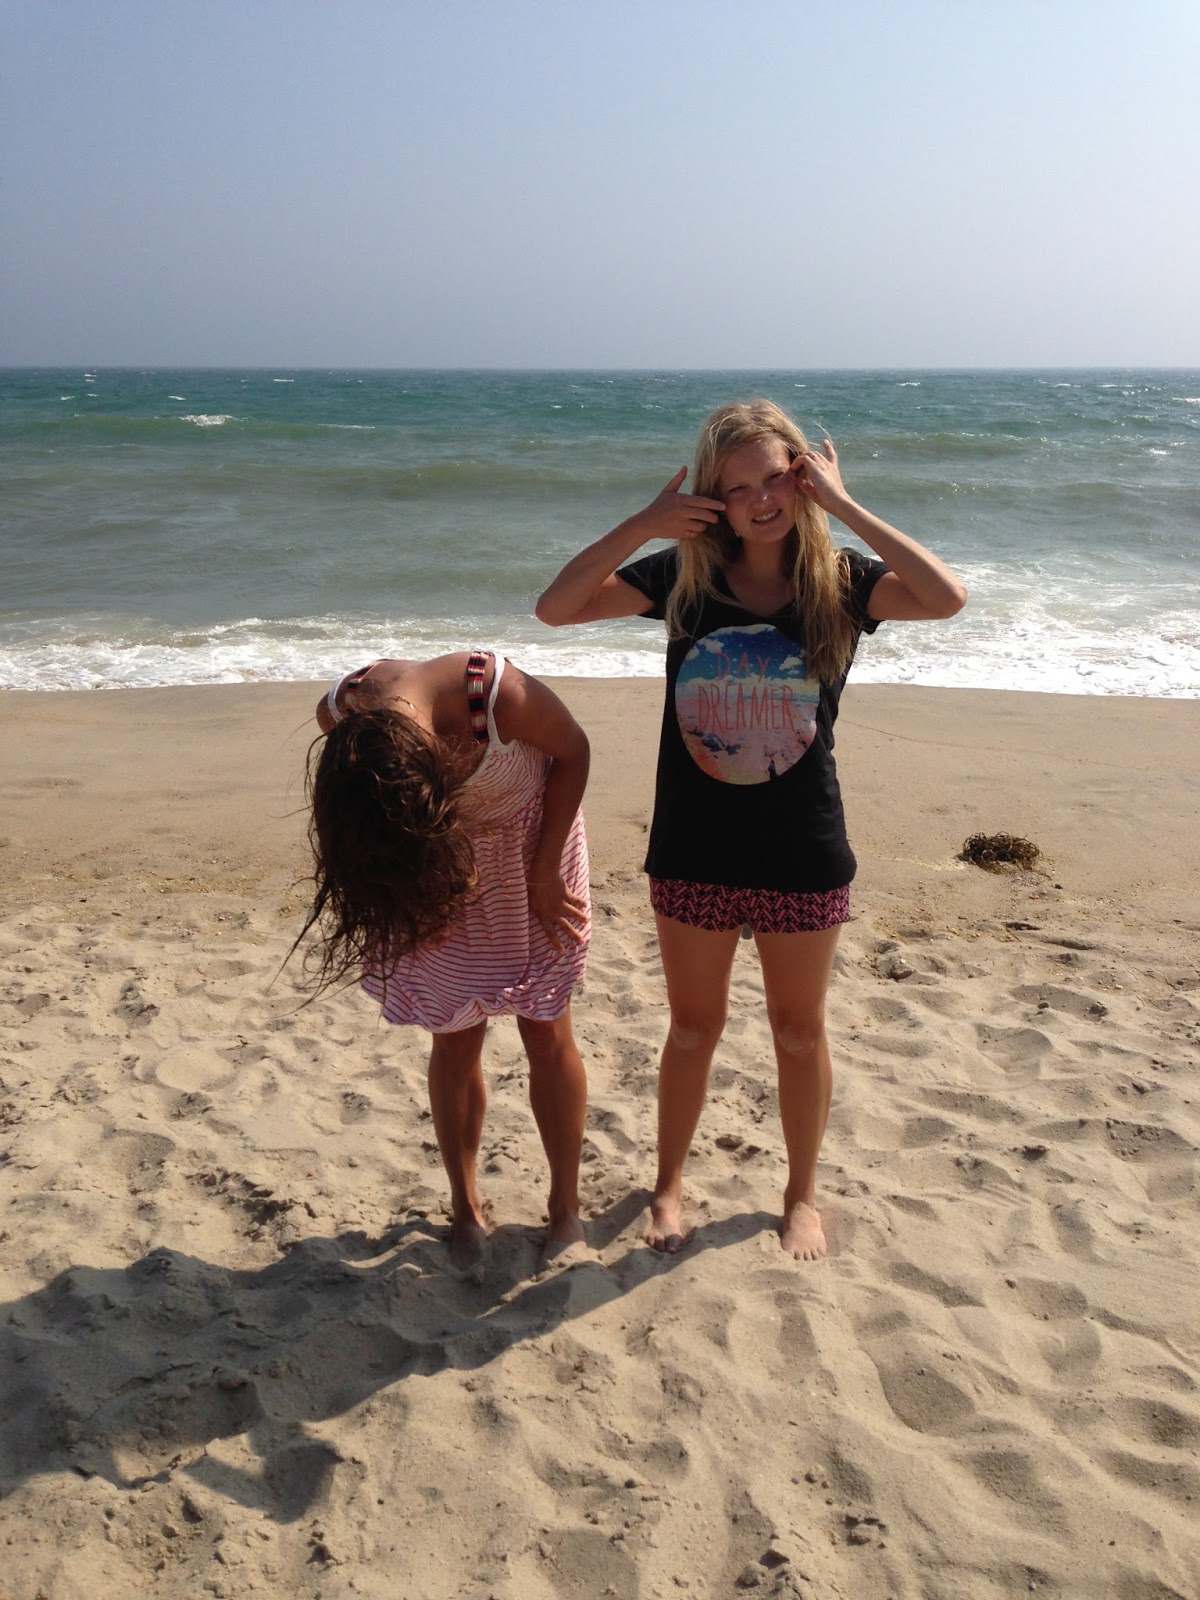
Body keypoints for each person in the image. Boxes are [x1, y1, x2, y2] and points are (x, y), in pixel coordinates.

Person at [536, 399, 967, 1261]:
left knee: (799, 1032)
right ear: (713, 498)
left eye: (776, 477)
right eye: (737, 487)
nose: (760, 499)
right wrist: (645, 523)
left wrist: (844, 504)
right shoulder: (683, 577)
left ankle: (801, 1194)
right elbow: (556, 608)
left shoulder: (842, 582)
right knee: (693, 1030)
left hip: (802, 848)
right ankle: (667, 1187)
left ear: (803, 476)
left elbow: (945, 597)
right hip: (694, 845)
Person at [300, 649, 591, 1264]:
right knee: (454, 1039)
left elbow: (574, 751)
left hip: (532, 854)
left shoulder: (496, 695)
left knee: (546, 1031)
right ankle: (465, 1206)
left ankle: (565, 1206)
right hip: (429, 868)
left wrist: (545, 869)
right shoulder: (347, 710)